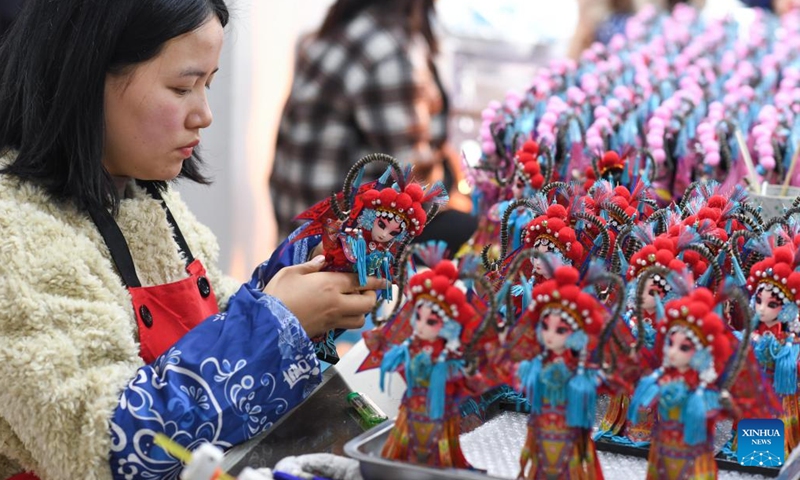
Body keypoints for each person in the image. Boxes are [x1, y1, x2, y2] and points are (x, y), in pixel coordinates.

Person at [0, 1, 383, 479]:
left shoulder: (148, 202)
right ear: (84, 76)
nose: (203, 114)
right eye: (182, 87)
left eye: (209, 84)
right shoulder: (15, 235)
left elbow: (214, 321)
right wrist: (275, 324)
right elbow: (110, 447)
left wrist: (302, 292)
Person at [269, 0, 475, 256]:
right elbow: (412, 179)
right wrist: (456, 198)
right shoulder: (388, 52)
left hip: (295, 232)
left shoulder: (336, 31)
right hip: (337, 241)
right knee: (477, 233)